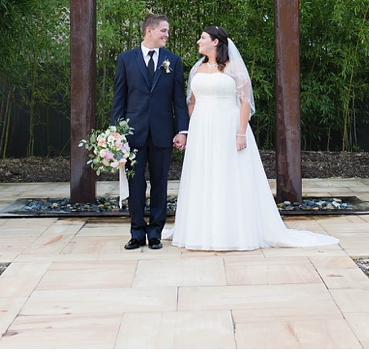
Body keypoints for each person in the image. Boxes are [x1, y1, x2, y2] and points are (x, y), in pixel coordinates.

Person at [165, 26, 338, 250]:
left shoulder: (234, 68)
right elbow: (192, 102)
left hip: (227, 126)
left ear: (215, 42)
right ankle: (201, 230)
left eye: (203, 38)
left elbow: (245, 101)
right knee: (203, 175)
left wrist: (240, 132)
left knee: (228, 175)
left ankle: (231, 232)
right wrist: (189, 131)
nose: (199, 41)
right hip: (201, 129)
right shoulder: (197, 70)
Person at [110, 14, 189, 250]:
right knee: (135, 185)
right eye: (164, 30)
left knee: (160, 183)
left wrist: (182, 131)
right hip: (133, 133)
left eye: (167, 31)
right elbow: (119, 99)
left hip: (163, 133)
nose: (167, 35)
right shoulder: (126, 59)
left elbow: (178, 99)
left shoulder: (173, 61)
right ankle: (136, 233)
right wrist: (116, 134)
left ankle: (155, 232)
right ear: (149, 31)